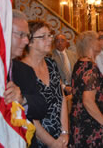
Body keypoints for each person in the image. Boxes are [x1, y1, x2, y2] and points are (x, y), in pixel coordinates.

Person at [22, 20, 69, 148]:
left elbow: (61, 97)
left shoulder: (51, 64)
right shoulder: (22, 70)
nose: (49, 40)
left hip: (59, 136)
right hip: (35, 140)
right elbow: (28, 113)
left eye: (49, 35)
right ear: (30, 41)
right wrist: (52, 143)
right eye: (43, 36)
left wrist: (65, 133)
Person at [6, 10, 48, 148]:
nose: (26, 41)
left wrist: (22, 99)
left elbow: (41, 106)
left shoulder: (25, 70)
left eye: (27, 36)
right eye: (21, 35)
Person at [71, 31, 103, 147]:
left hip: (80, 123)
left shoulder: (79, 64)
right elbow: (88, 100)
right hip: (90, 125)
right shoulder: (90, 67)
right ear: (91, 44)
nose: (100, 42)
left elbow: (96, 86)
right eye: (97, 39)